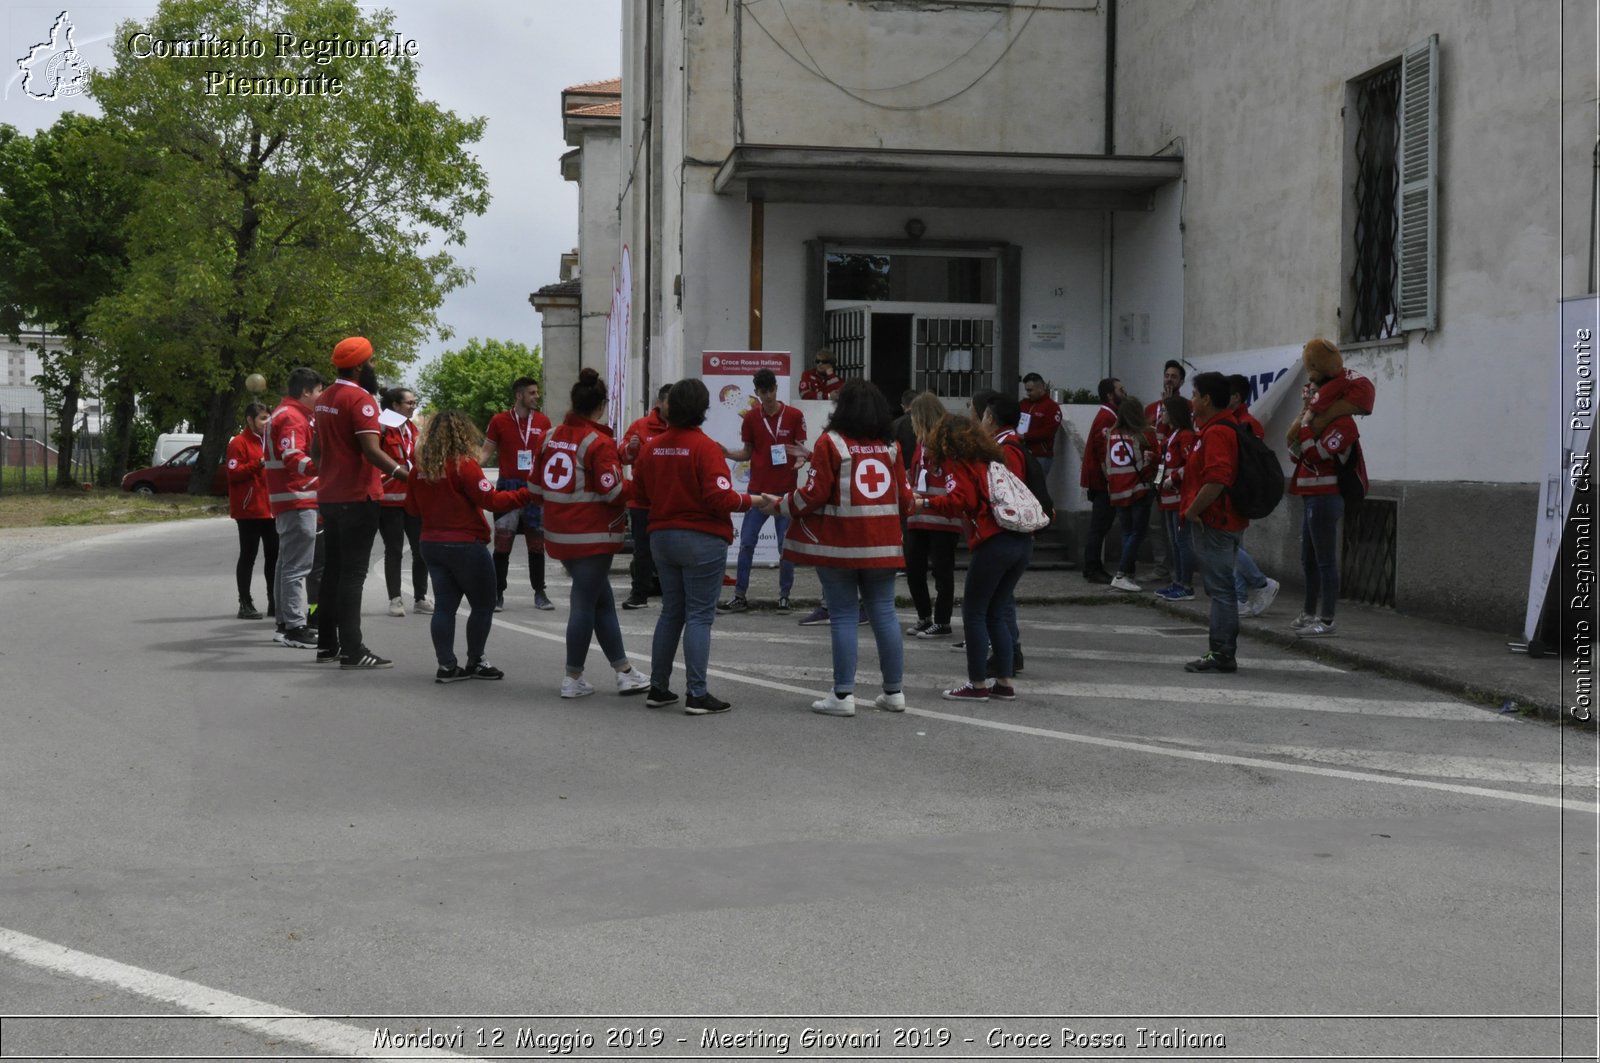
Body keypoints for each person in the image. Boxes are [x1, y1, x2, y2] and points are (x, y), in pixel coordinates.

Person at [762, 378, 912, 717]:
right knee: (884, 614)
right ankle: (894, 692)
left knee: (843, 615)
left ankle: (843, 695)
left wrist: (780, 506)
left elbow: (812, 495)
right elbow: (905, 500)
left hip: (840, 546)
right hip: (884, 547)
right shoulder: (891, 447)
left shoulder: (831, 443)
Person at [632, 378, 760, 715]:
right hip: (702, 539)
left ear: (669, 407)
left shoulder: (652, 447)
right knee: (700, 616)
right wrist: (756, 500)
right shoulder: (706, 448)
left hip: (661, 537)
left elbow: (640, 496)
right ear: (703, 410)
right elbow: (721, 498)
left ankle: (658, 687)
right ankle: (697, 693)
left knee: (671, 611)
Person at [537, 368, 653, 698]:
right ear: (601, 405)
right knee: (585, 604)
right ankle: (573, 678)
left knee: (601, 603)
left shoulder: (549, 436)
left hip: (559, 533)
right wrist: (640, 483)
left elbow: (535, 484)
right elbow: (613, 492)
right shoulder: (598, 442)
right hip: (592, 534)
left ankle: (624, 671)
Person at [404, 410, 535, 682]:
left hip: (431, 543)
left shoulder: (420, 468)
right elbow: (492, 500)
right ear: (464, 433)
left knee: (444, 606)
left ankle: (447, 665)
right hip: (465, 544)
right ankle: (475, 660)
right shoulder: (464, 464)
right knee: (483, 603)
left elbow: (413, 509)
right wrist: (528, 494)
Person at [917, 414, 1031, 702]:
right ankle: (1004, 682)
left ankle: (977, 684)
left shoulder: (959, 464)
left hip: (994, 542)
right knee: (996, 611)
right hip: (1020, 541)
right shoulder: (993, 461)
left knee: (974, 612)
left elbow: (961, 501)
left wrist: (925, 501)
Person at [314, 336, 409, 670]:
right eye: (371, 361)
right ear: (358, 366)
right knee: (353, 575)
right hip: (358, 497)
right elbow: (371, 449)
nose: (374, 366)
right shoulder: (362, 400)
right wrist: (403, 474)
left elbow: (316, 450)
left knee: (333, 572)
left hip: (330, 496)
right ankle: (353, 650)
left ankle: (327, 644)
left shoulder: (324, 397)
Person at [1287, 338, 1371, 639]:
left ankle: (1327, 618)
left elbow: (1316, 453)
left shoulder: (1344, 424)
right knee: (1307, 560)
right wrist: (1305, 421)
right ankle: (1308, 612)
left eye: (1315, 392)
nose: (1311, 396)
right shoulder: (1314, 418)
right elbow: (1294, 451)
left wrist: (1307, 426)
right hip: (1309, 495)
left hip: (1326, 497)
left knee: (1324, 561)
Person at [718, 367, 807, 614]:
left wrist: (800, 462)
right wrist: (727, 453)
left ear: (776, 389)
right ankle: (739, 595)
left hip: (785, 493)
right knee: (746, 543)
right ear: (756, 393)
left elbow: (800, 450)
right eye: (762, 392)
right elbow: (746, 452)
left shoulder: (794, 415)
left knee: (784, 546)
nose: (767, 396)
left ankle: (784, 596)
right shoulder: (751, 418)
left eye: (770, 391)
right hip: (757, 492)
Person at [1182, 372, 1249, 674]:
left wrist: (1193, 511)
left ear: (1207, 399)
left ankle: (1222, 653)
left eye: (1194, 394)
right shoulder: (1216, 428)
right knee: (1222, 588)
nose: (1191, 400)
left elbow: (1218, 478)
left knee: (1221, 589)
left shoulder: (1217, 432)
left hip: (1216, 521)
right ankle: (1221, 651)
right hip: (1223, 519)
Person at [481, 376, 554, 612]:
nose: (536, 396)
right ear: (519, 395)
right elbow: (484, 454)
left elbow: (549, 457)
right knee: (502, 544)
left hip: (534, 489)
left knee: (536, 544)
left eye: (536, 392)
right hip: (507, 489)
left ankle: (540, 593)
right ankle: (497, 593)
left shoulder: (543, 421)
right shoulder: (499, 421)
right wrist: (467, 471)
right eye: (532, 393)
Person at [264, 367, 323, 650]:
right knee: (298, 567)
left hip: (287, 497)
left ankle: (284, 623)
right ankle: (296, 627)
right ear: (306, 391)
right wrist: (321, 468)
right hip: (297, 496)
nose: (321, 397)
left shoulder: (283, 413)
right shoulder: (293, 416)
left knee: (286, 564)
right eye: (319, 391)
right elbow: (293, 456)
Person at [979, 393, 1029, 675]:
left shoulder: (1006, 448)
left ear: (993, 419)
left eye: (985, 416)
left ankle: (1009, 652)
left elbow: (1007, 491)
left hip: (1004, 532)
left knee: (1000, 598)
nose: (982, 421)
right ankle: (1009, 652)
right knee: (1002, 597)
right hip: (1007, 532)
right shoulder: (1007, 443)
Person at [904, 392, 960, 639]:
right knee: (913, 568)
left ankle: (942, 621)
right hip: (918, 515)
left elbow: (951, 480)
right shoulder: (921, 443)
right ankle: (924, 616)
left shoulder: (947, 441)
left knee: (942, 571)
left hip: (942, 517)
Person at [1226, 373, 1280, 617]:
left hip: (1236, 494)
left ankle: (1248, 592)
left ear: (1236, 397)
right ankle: (1240, 597)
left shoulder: (1247, 424)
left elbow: (1249, 464)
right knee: (1232, 547)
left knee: (1231, 546)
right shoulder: (1230, 423)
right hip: (1225, 493)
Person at [377, 387, 431, 618]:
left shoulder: (410, 428)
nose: (413, 406)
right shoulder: (379, 427)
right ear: (394, 405)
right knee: (394, 550)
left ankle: (420, 598)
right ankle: (395, 599)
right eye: (409, 403)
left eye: (414, 402)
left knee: (421, 550)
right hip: (388, 501)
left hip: (413, 499)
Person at [620, 382, 672, 610]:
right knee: (643, 550)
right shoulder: (640, 427)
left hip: (671, 501)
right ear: (660, 403)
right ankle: (639, 594)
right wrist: (631, 449)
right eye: (671, 401)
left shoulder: (681, 428)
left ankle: (671, 595)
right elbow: (622, 455)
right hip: (642, 501)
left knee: (670, 550)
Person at [226, 402, 277, 621]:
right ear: (250, 420)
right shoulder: (238, 443)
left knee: (274, 557)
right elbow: (233, 472)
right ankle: (245, 602)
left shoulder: (271, 441)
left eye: (268, 418)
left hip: (272, 509)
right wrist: (258, 463)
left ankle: (275, 601)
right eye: (262, 418)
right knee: (248, 556)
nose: (267, 423)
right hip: (249, 510)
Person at [1103, 396, 1158, 592]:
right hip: (1138, 490)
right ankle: (1121, 574)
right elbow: (1155, 461)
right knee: (1137, 533)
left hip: (1117, 490)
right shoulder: (1144, 434)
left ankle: (1128, 574)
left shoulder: (1112, 434)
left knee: (1127, 532)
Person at [1078, 376, 1127, 583]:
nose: (1124, 392)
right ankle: (1092, 567)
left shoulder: (1110, 415)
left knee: (1101, 526)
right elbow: (1102, 453)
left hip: (1101, 482)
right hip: (1102, 483)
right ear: (1110, 395)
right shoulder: (1107, 418)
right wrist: (1111, 482)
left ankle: (1093, 566)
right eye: (1120, 389)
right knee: (1099, 526)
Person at [1144, 359, 1187, 583]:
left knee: (1176, 531)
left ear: (1181, 381)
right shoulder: (1152, 408)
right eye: (1167, 375)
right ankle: (1161, 567)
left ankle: (1181, 575)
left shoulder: (1185, 407)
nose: (1169, 379)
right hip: (1156, 472)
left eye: (1174, 376)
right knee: (1155, 522)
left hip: (1174, 478)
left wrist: (1171, 406)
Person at [1152, 395, 1198, 601]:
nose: (1161, 414)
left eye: (1165, 411)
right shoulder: (1173, 434)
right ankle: (1178, 581)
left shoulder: (1186, 435)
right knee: (1174, 542)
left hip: (1179, 498)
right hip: (1167, 497)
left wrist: (1174, 477)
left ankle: (1186, 585)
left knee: (1182, 541)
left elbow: (1192, 465)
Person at [1018, 372, 1064, 476]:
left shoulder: (1052, 408)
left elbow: (1048, 432)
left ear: (1041, 388)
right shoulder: (1023, 404)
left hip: (1040, 456)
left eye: (1030, 390)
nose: (1028, 393)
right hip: (1022, 453)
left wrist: (1024, 436)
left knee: (1037, 490)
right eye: (1026, 390)